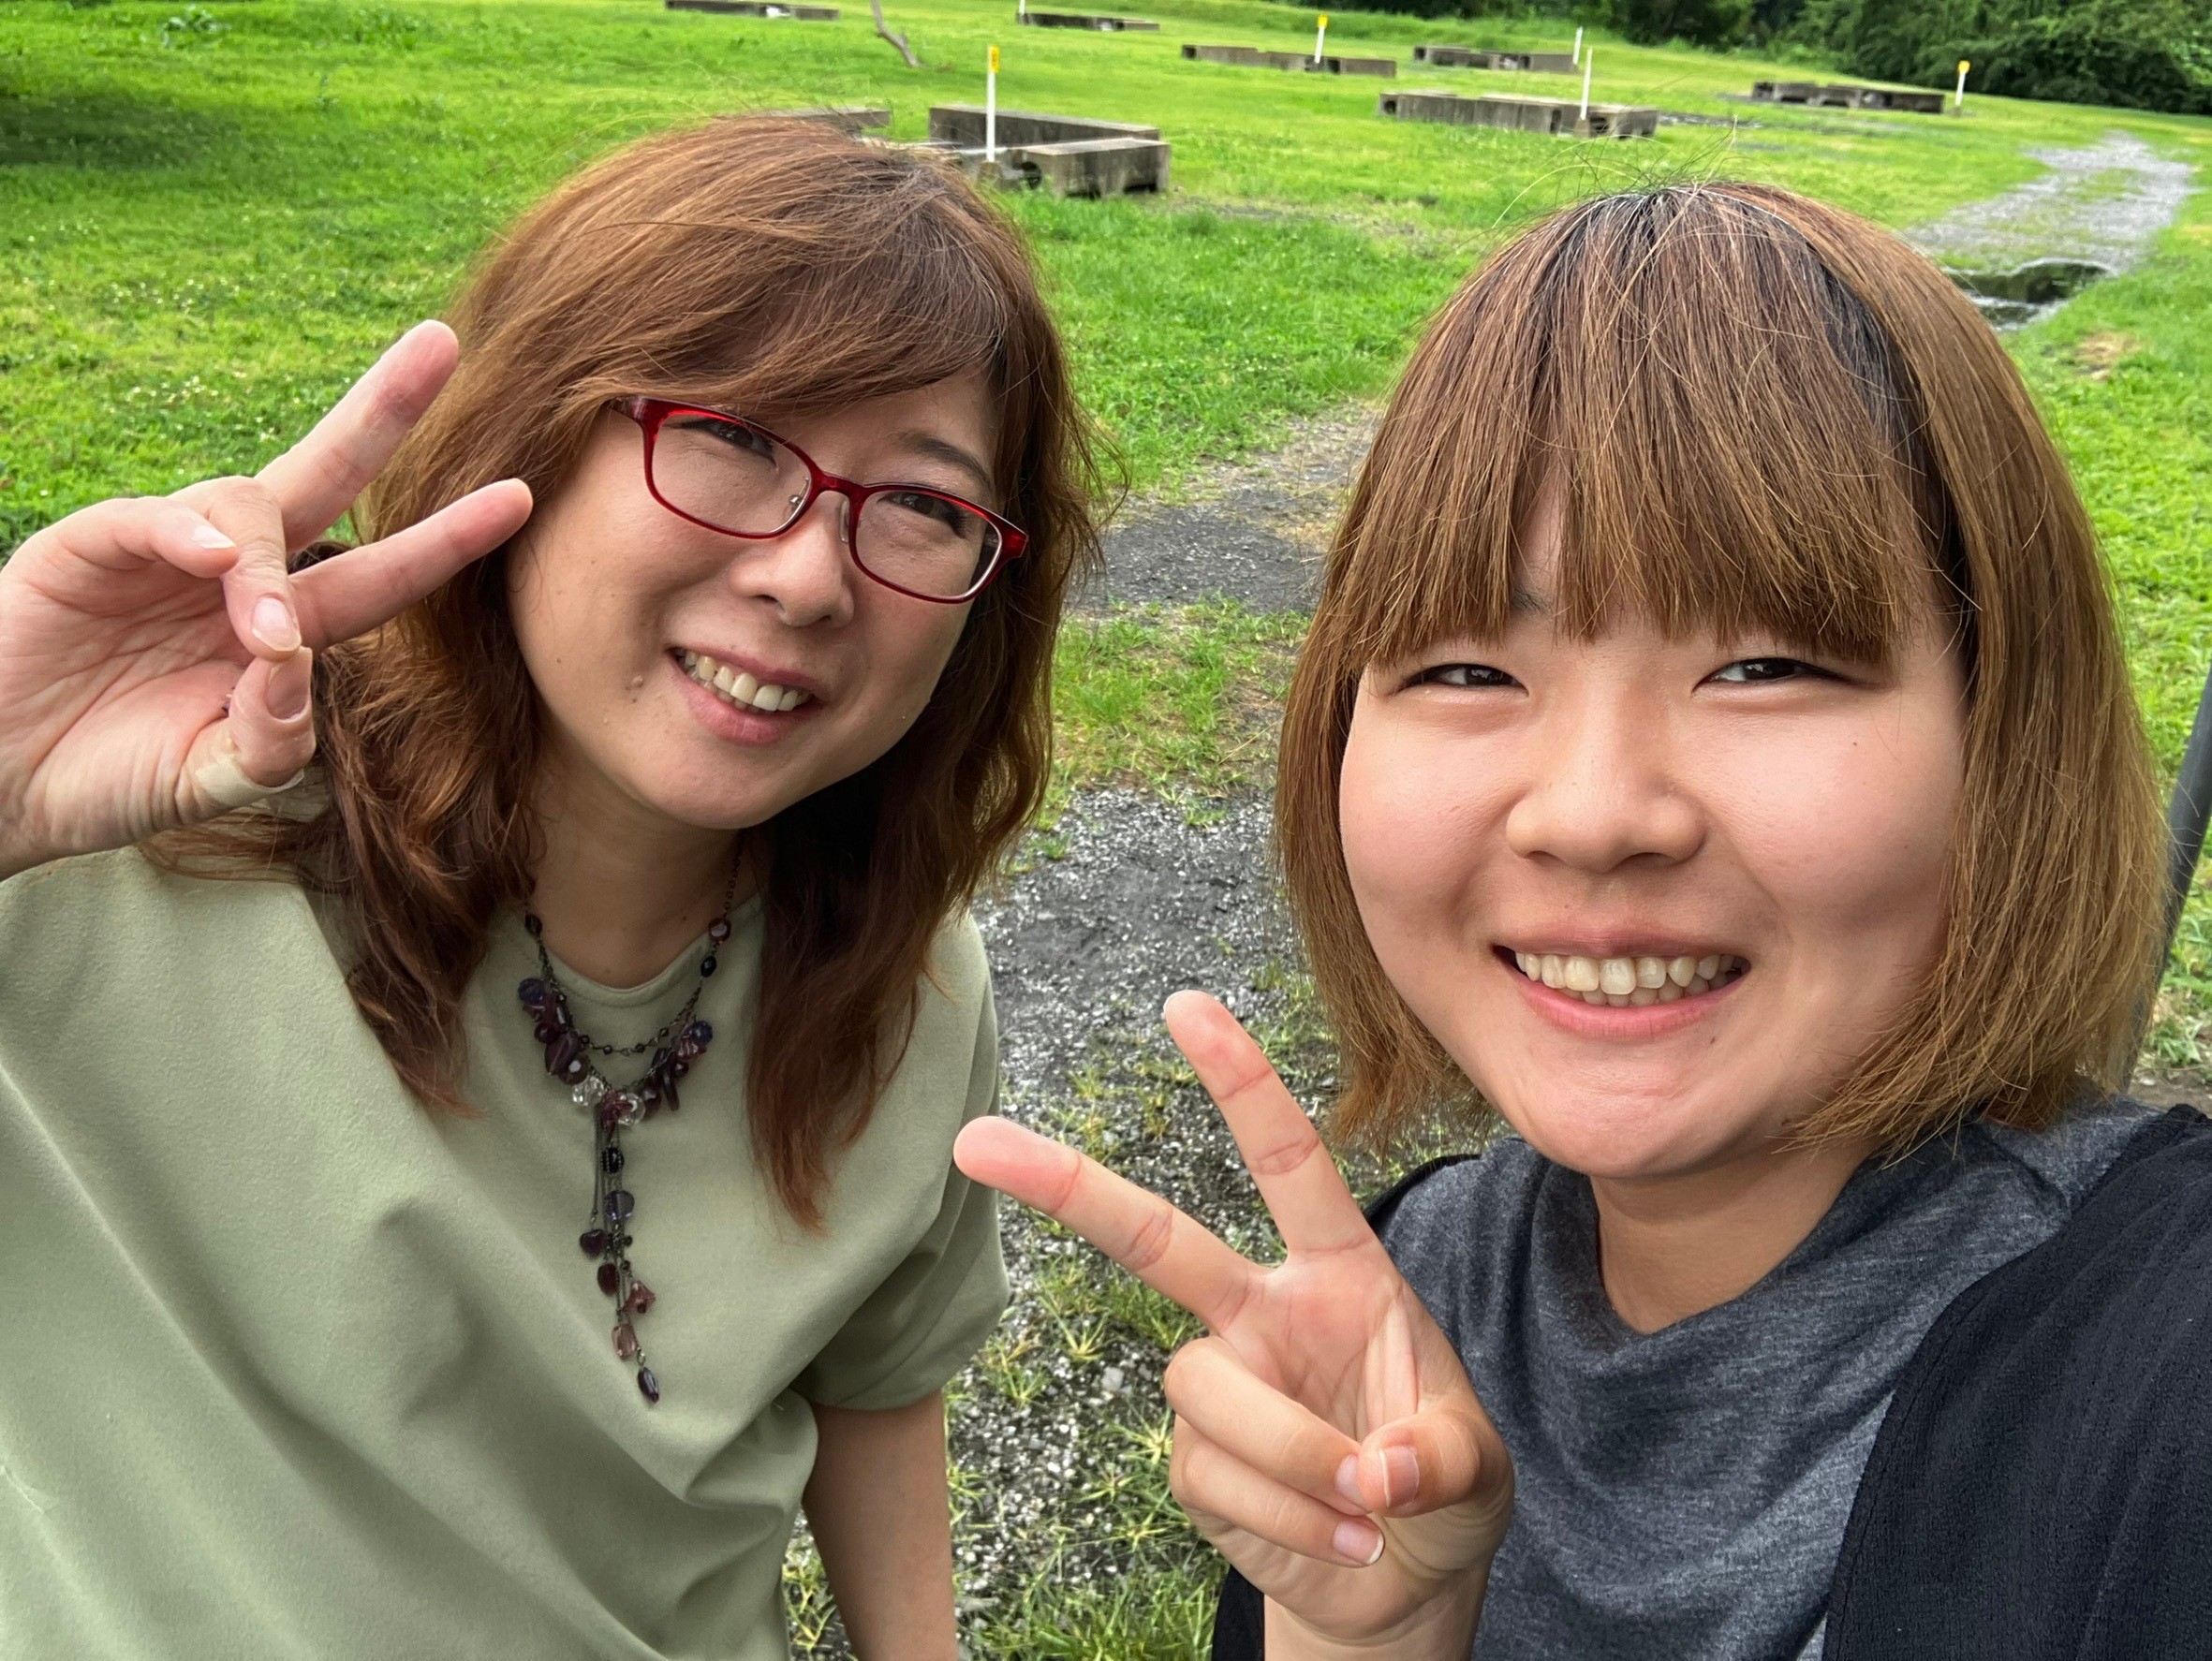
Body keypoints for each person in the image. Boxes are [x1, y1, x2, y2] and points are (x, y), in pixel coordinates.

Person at [954, 181, 2209, 1659]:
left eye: (1763, 665)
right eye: (1465, 669)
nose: (1592, 813)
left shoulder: (2165, 1388)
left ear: (2004, 728)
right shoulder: (1408, 1291)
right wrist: (1368, 1635)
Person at [0, 117, 1097, 1659]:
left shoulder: (904, 976)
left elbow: (873, 1391)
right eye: (734, 435)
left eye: (923, 504)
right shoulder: (111, 846)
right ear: (530, 434)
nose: (805, 575)